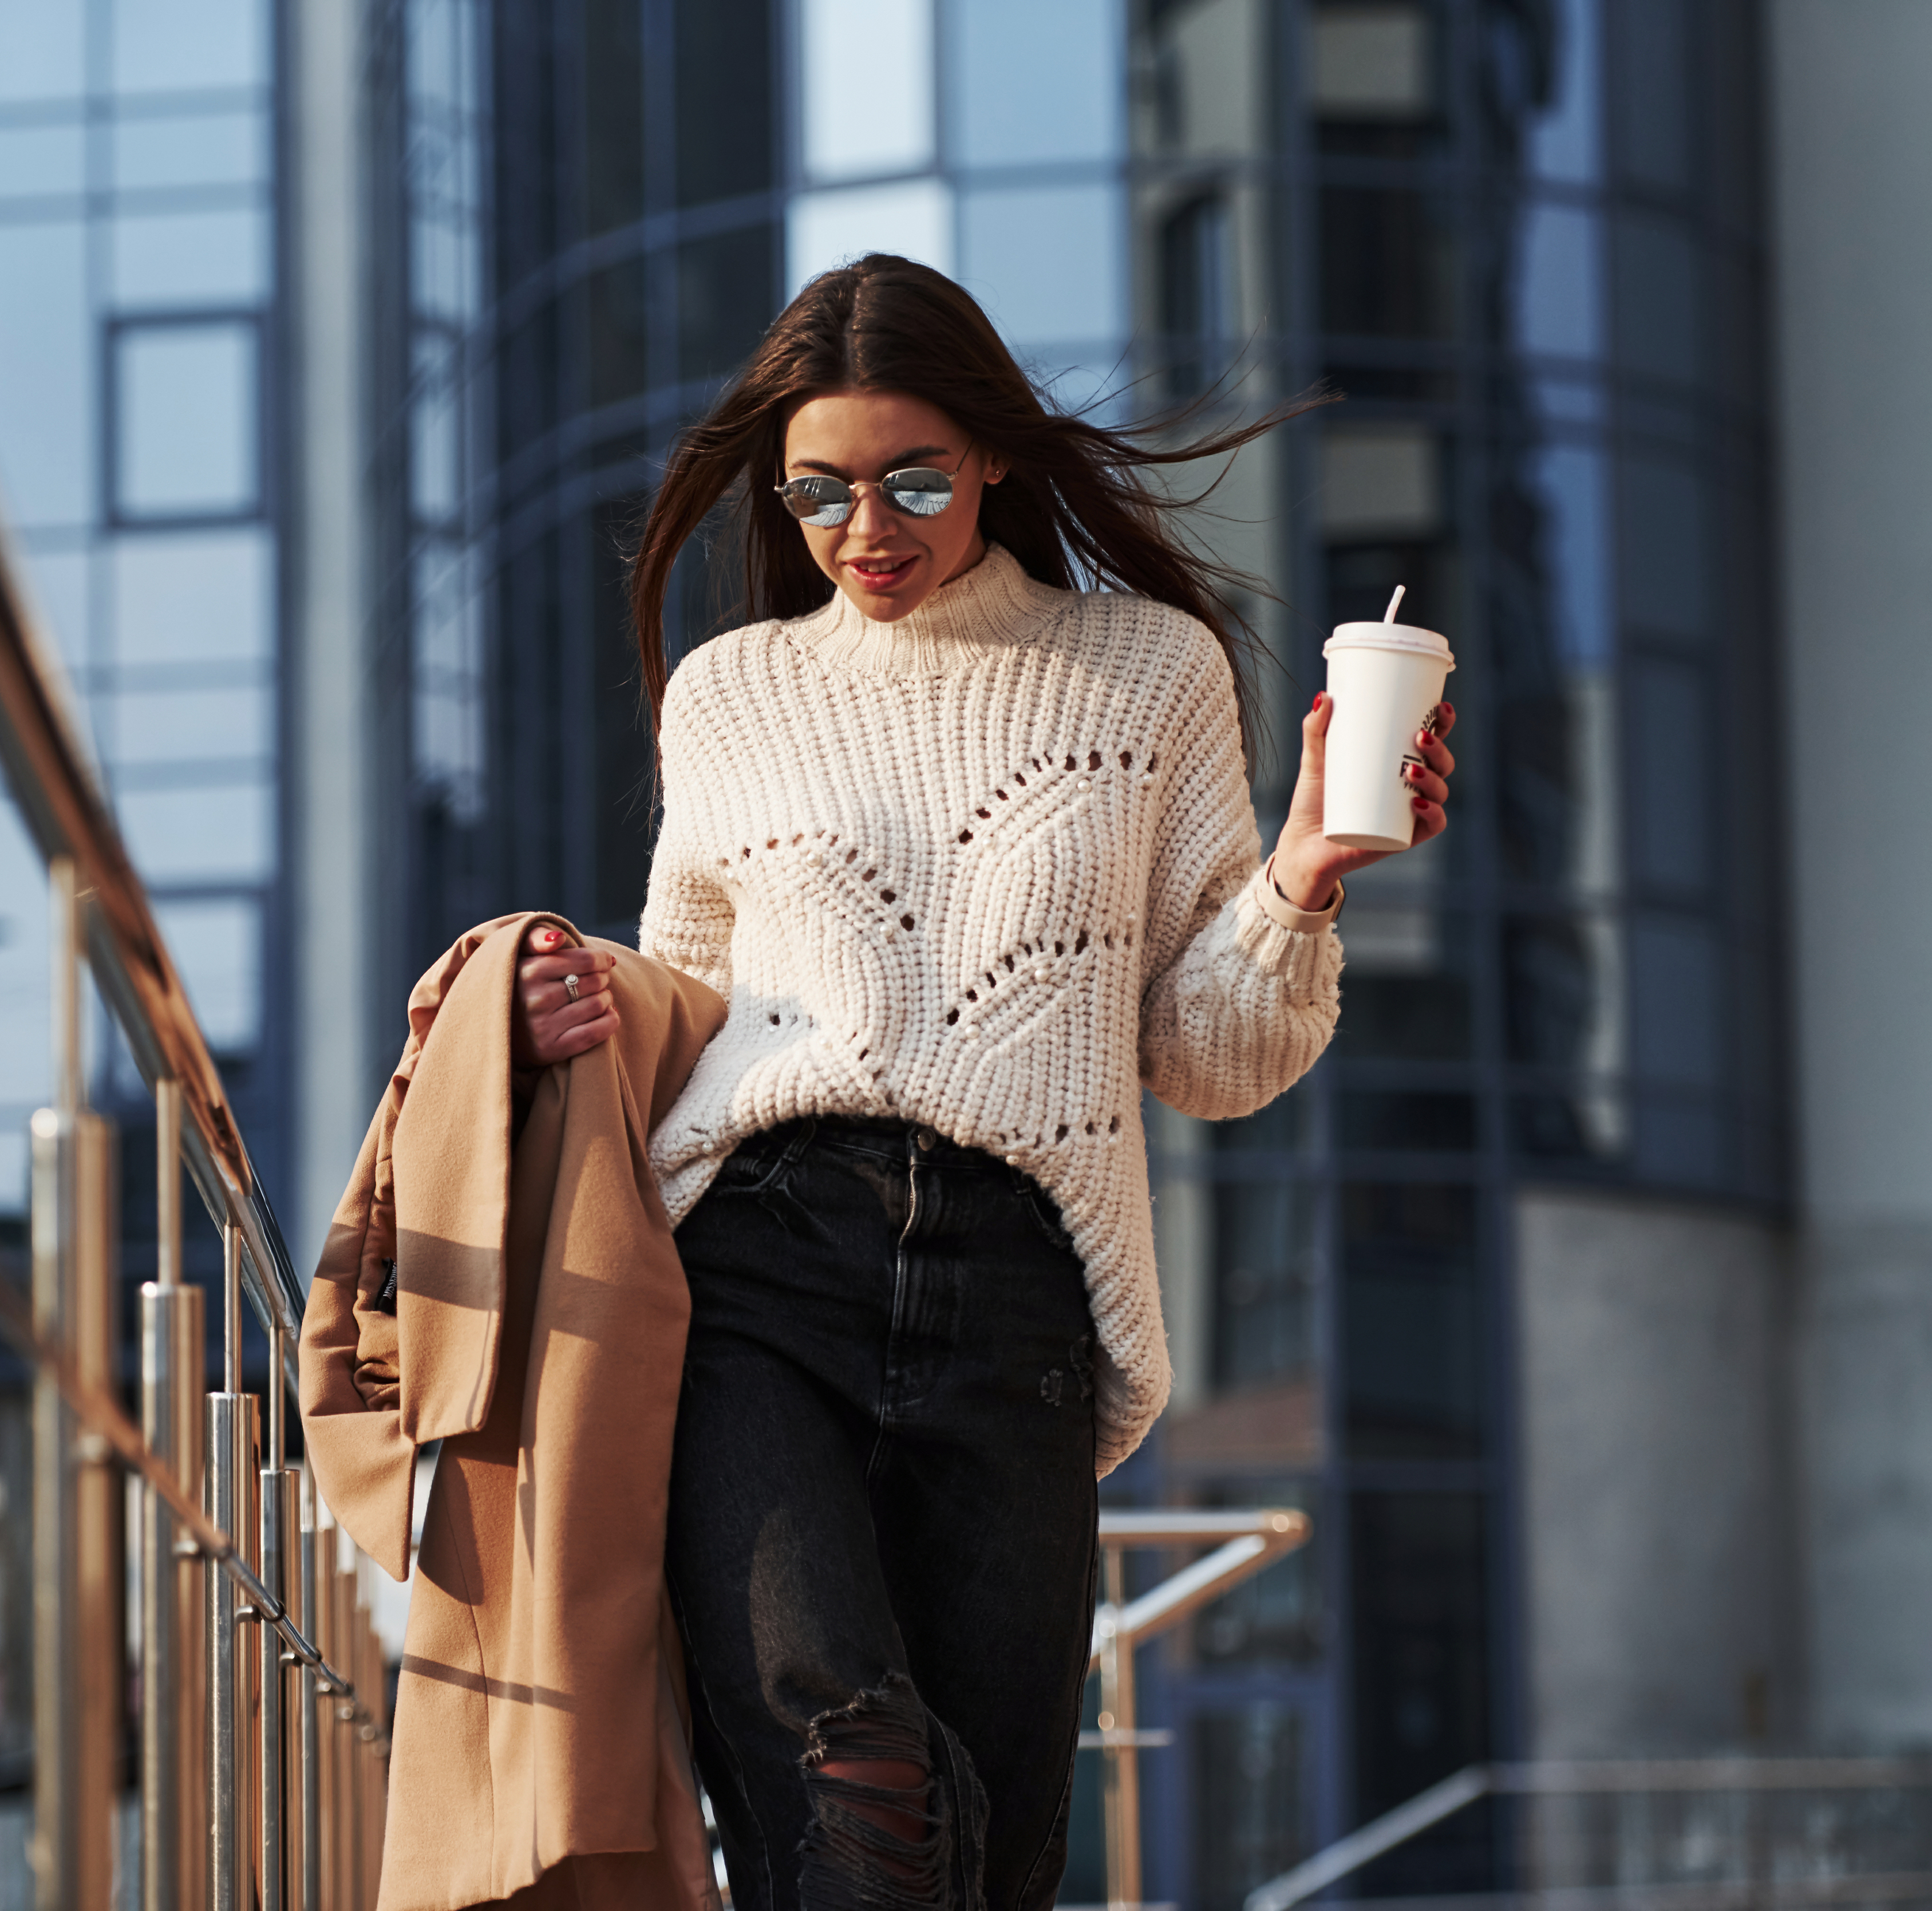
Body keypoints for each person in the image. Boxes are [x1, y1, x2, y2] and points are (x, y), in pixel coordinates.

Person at [514, 254, 1455, 1911]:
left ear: (1001, 457)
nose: (864, 529)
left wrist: (1307, 864)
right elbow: (689, 1000)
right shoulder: (736, 694)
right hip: (757, 1267)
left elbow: (1199, 1053)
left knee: (993, 1850)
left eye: (914, 479)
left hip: (1019, 1296)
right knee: (855, 1776)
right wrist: (571, 994)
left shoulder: (1148, 670)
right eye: (816, 492)